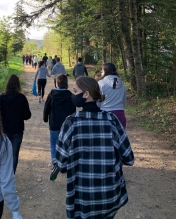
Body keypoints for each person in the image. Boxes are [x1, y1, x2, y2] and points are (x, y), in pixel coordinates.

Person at [51, 76, 134, 219]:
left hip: (81, 199)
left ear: (86, 94)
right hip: (109, 197)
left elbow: (61, 164)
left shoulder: (71, 122)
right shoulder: (112, 120)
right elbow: (129, 158)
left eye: (75, 91)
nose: (73, 95)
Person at [0, 75, 32, 173]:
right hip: (17, 129)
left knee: (3, 154)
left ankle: (2, 174)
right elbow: (27, 115)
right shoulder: (21, 98)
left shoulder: (1, 98)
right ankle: (11, 175)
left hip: (4, 129)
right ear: (18, 85)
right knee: (14, 154)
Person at [43, 74, 76, 171]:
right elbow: (73, 110)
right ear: (66, 84)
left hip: (54, 123)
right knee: (67, 143)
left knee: (53, 142)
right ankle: (65, 162)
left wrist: (45, 118)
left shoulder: (52, 94)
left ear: (56, 83)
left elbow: (46, 107)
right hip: (66, 125)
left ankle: (54, 161)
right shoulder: (70, 95)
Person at [98, 63, 127, 129]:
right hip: (120, 115)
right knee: (120, 138)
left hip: (105, 115)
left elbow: (98, 101)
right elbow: (124, 101)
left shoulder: (101, 83)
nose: (101, 72)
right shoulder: (121, 83)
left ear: (105, 71)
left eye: (102, 70)